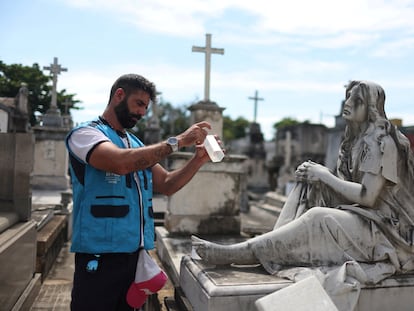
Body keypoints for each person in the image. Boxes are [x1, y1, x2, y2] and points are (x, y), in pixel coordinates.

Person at [192, 80, 414, 278]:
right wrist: (317, 176)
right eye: (348, 96)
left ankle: (244, 252)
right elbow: (349, 192)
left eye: (357, 100)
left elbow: (367, 197)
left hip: (384, 231)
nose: (348, 102)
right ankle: (272, 247)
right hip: (364, 216)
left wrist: (325, 175)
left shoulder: (382, 142)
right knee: (309, 180)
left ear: (371, 108)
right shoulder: (354, 142)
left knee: (319, 215)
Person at [66, 73, 217, 310]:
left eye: (146, 107)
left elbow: (167, 184)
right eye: (139, 104)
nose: (142, 112)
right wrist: (177, 141)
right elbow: (121, 163)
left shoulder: (134, 143)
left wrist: (197, 161)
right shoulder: (85, 134)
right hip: (99, 257)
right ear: (119, 95)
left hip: (134, 258)